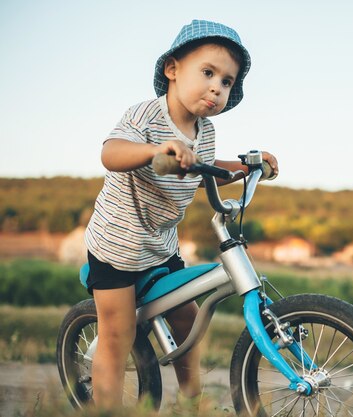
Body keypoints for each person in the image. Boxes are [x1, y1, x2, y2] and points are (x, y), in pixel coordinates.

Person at [83, 19, 278, 411]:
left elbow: (205, 166)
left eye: (226, 81)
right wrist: (156, 152)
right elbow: (111, 152)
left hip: (160, 246)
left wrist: (244, 166)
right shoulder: (145, 116)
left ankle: (192, 401)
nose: (216, 87)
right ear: (172, 70)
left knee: (187, 319)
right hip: (117, 247)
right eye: (208, 73)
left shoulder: (205, 132)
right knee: (117, 335)